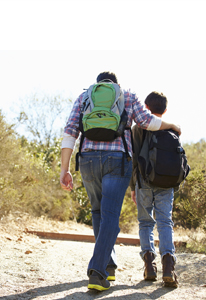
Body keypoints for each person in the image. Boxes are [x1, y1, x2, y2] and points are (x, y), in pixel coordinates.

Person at [60, 72, 181, 291]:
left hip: (87, 160)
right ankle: (97, 272)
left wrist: (64, 169)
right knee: (110, 217)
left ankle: (109, 265)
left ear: (98, 85)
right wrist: (172, 125)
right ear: (116, 84)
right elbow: (146, 122)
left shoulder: (84, 97)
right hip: (117, 160)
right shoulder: (127, 95)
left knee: (98, 212)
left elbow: (70, 132)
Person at [130, 91, 179, 288]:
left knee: (145, 223)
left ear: (146, 108)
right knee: (165, 222)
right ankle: (168, 266)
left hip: (144, 182)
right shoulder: (172, 129)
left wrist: (133, 186)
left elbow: (133, 157)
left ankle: (149, 265)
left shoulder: (138, 128)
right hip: (167, 183)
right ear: (165, 110)